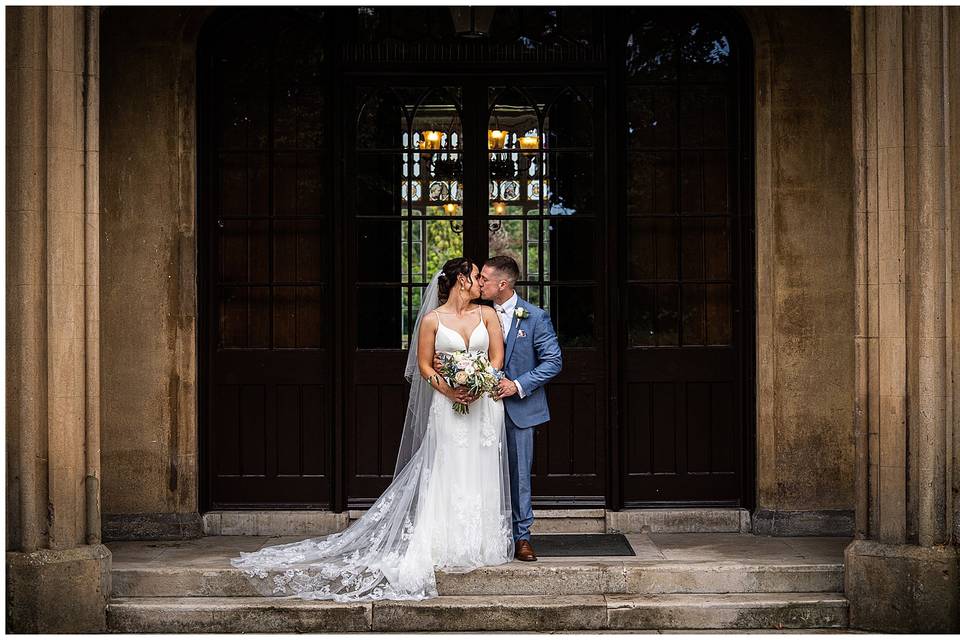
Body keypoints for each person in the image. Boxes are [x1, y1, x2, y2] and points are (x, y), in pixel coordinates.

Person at [230, 258, 513, 601]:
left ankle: (482, 543)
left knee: (480, 469)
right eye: (473, 274)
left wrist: (480, 382)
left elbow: (496, 358)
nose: (479, 280)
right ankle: (446, 541)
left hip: (483, 406)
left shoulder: (487, 316)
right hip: (448, 406)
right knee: (448, 470)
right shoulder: (431, 320)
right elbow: (424, 366)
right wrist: (451, 388)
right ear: (459, 281)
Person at [475, 256, 563, 562]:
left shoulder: (535, 317)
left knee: (519, 475)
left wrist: (518, 385)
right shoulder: (475, 314)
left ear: (502, 284)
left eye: (484, 278)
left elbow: (553, 361)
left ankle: (522, 536)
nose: (479, 283)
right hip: (479, 408)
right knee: (478, 473)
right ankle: (482, 533)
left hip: (519, 409)